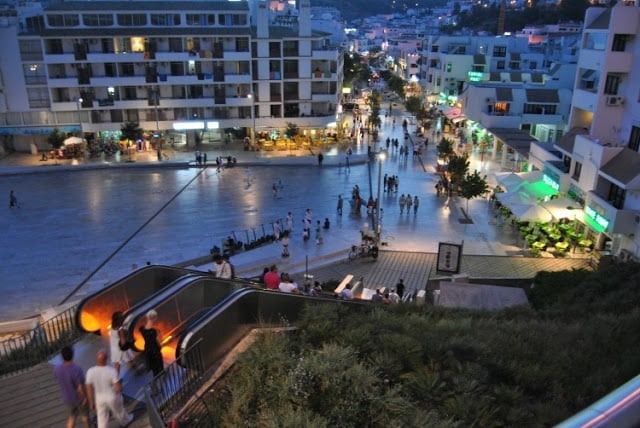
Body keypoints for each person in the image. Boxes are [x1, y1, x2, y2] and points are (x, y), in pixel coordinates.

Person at [85, 349, 134, 428]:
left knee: (102, 419)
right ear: (106, 359)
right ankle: (125, 421)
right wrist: (120, 386)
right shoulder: (111, 371)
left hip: (99, 399)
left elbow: (89, 388)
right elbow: (118, 388)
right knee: (119, 411)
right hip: (111, 397)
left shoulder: (90, 371)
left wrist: (91, 402)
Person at [54, 345, 90, 428]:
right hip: (79, 399)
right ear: (73, 355)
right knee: (85, 418)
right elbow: (81, 387)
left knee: (72, 417)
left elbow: (57, 378)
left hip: (67, 398)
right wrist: (86, 397)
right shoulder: (77, 369)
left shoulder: (57, 368)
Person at [139, 309, 163, 377]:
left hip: (147, 349)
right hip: (155, 350)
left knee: (152, 367)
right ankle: (157, 383)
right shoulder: (155, 331)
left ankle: (154, 380)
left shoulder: (142, 329)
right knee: (158, 368)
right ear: (154, 318)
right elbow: (159, 342)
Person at [109, 311, 133, 377]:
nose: (123, 317)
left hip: (114, 347)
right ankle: (115, 379)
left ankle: (115, 379)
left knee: (118, 364)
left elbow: (123, 325)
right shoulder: (120, 330)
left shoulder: (113, 327)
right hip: (120, 348)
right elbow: (123, 342)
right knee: (126, 360)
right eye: (122, 317)